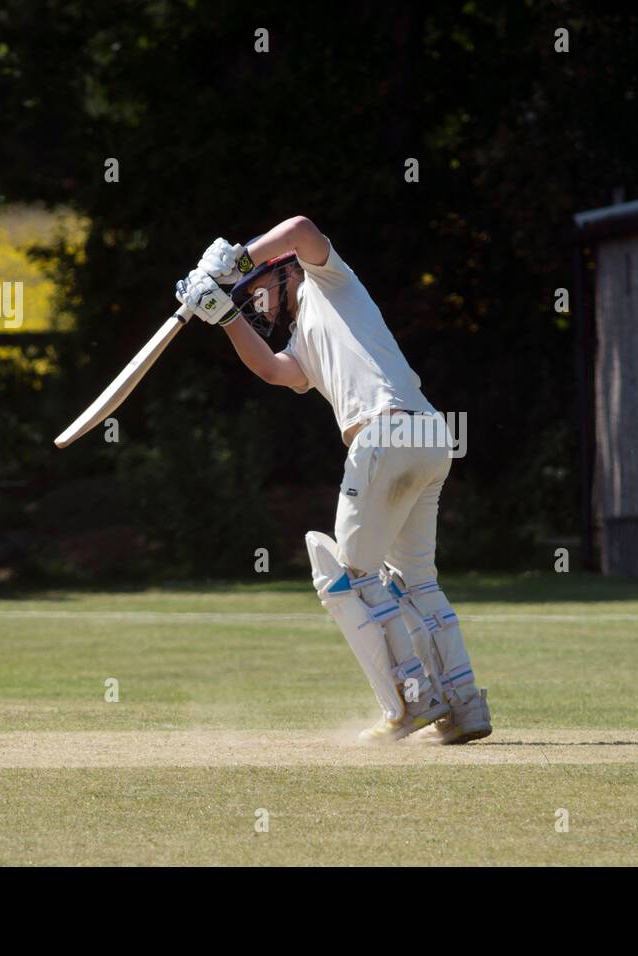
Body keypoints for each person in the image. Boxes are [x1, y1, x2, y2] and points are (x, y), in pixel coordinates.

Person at [174, 217, 491, 745]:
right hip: (430, 436)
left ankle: (409, 703)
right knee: (417, 583)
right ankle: (464, 706)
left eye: (255, 295)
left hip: (385, 436)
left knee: (347, 580)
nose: (256, 305)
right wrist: (227, 315)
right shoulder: (301, 342)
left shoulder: (329, 281)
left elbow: (300, 227)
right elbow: (276, 372)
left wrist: (238, 262)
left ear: (281, 272)